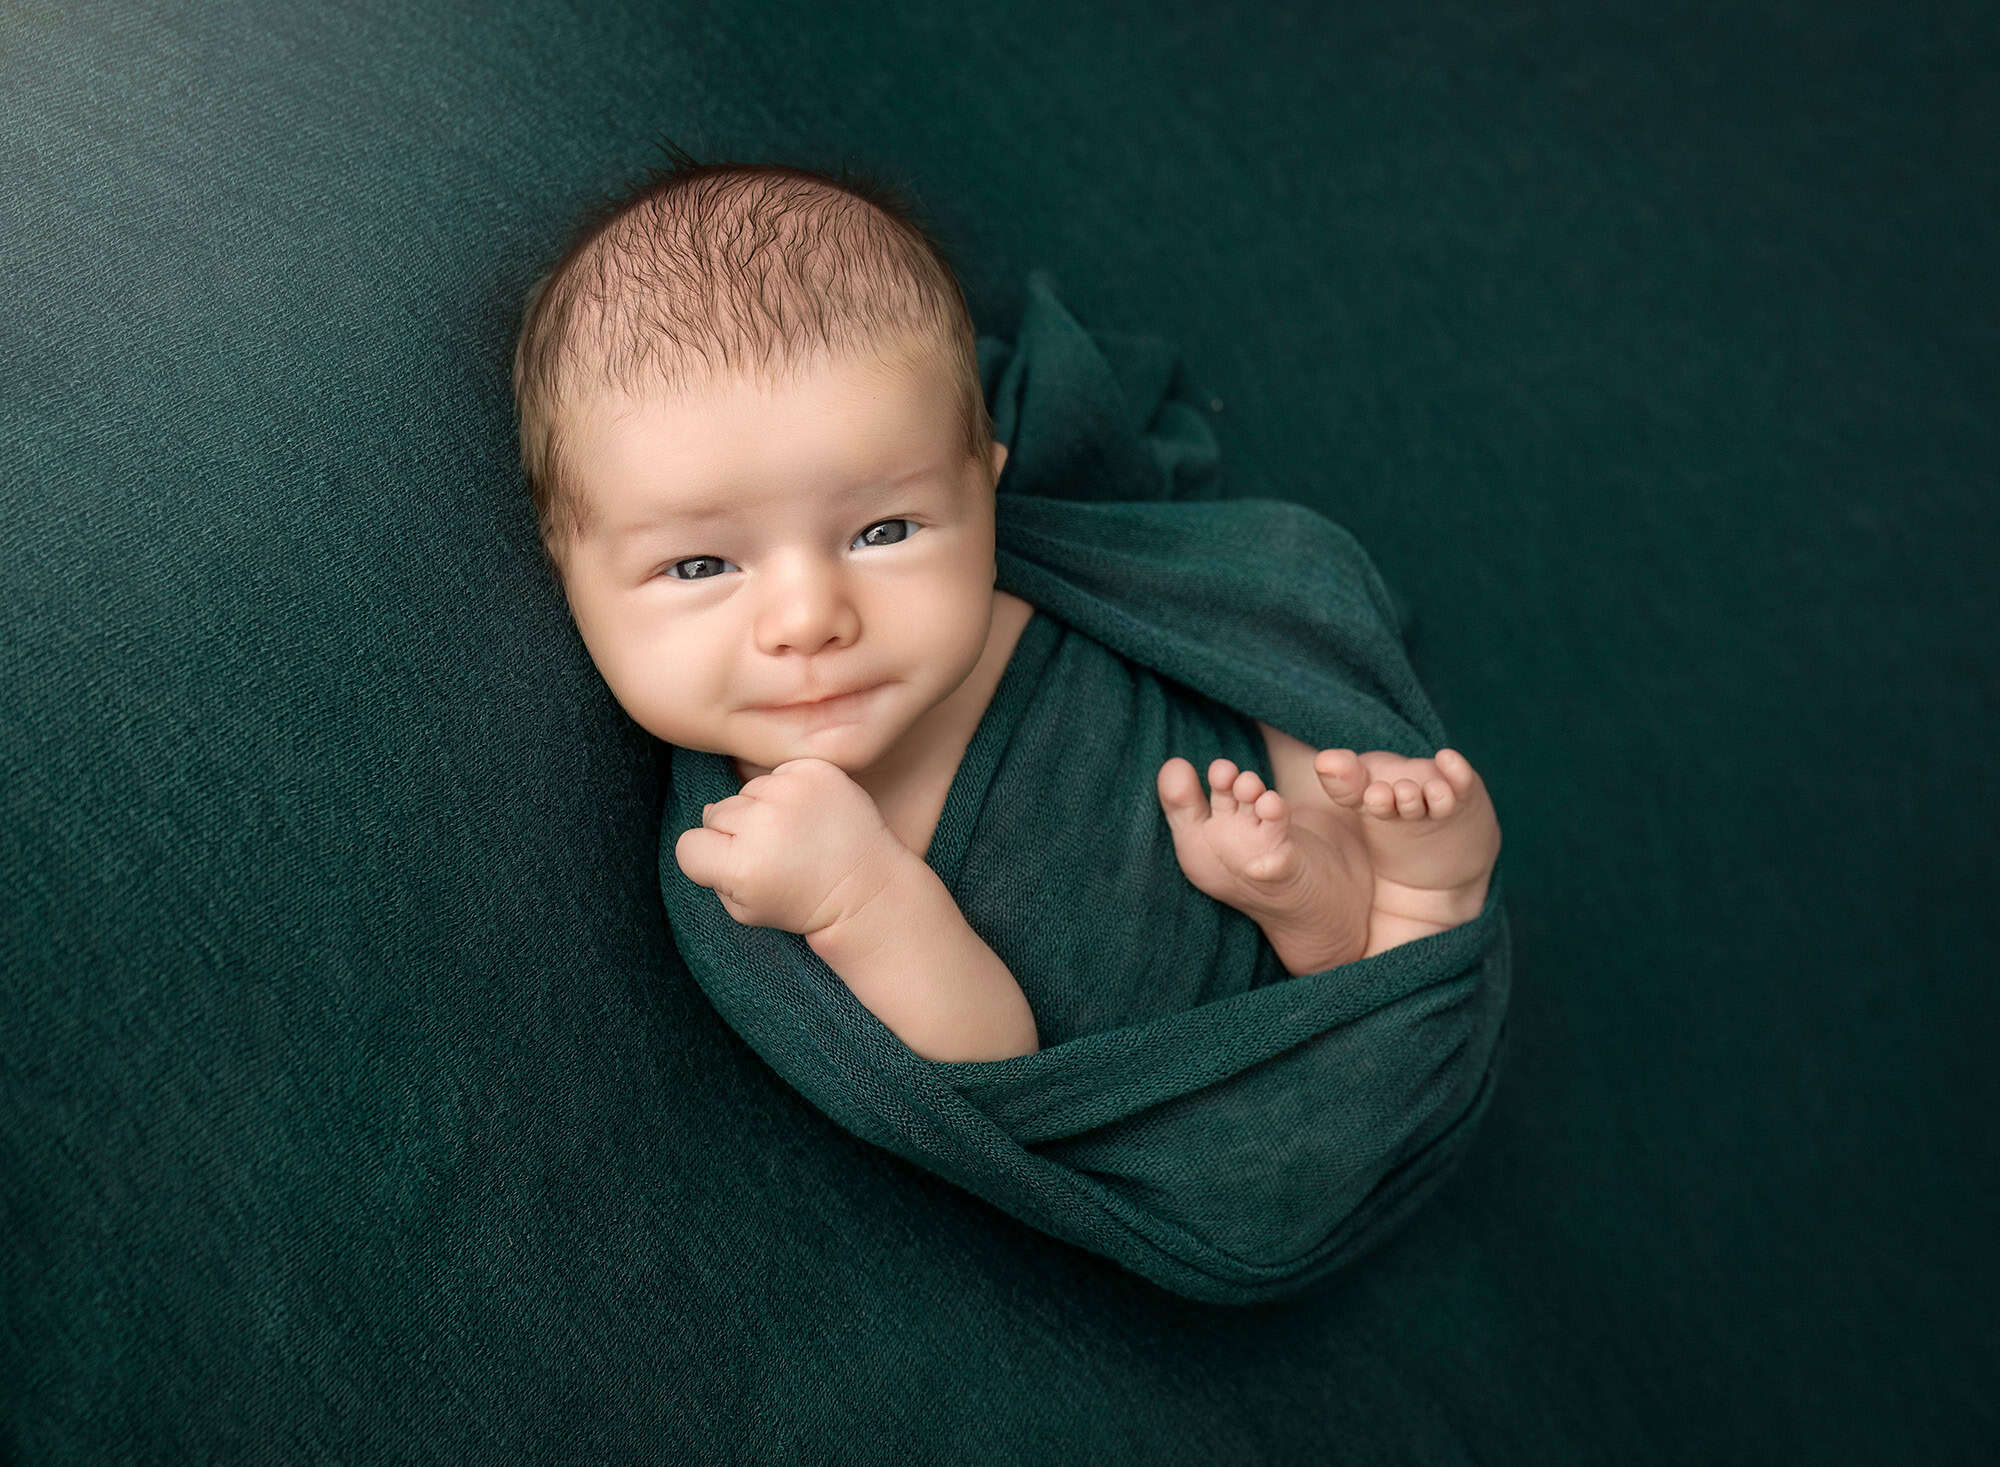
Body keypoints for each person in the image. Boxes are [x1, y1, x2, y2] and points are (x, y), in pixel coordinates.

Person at [510, 147, 1501, 1064]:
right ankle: (1392, 929)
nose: (809, 620)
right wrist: (862, 899)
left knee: (1285, 646)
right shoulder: (769, 852)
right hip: (1197, 1076)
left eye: (884, 533)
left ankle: (1381, 901)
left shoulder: (1054, 589)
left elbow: (1232, 613)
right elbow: (1003, 1080)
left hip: (1240, 814)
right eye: (698, 567)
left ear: (984, 491)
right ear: (565, 567)